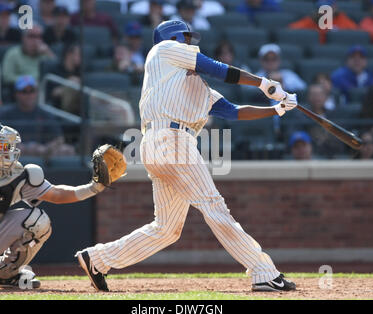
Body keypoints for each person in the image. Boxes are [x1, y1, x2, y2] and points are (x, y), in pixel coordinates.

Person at [75, 20, 298, 292]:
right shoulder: (164, 49)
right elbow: (217, 68)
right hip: (172, 140)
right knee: (214, 206)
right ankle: (263, 272)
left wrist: (277, 109)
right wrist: (263, 82)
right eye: (188, 38)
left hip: (160, 144)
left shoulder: (192, 85)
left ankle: (97, 259)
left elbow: (234, 111)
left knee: (166, 228)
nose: (192, 42)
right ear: (175, 37)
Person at [0, 120, 116, 289]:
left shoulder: (18, 174)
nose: (9, 151)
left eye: (10, 146)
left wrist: (94, 187)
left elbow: (57, 194)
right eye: (2, 146)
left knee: (38, 221)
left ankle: (7, 274)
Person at [0, 75, 75, 157]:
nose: (29, 95)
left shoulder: (45, 114)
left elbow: (59, 139)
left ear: (36, 93)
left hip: (43, 154)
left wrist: (46, 148)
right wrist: (24, 148)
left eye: (32, 91)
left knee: (68, 150)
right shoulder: (6, 114)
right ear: (16, 94)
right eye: (24, 91)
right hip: (15, 155)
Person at [289, 0, 357, 44]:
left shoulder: (342, 20)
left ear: (334, 7)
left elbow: (357, 34)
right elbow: (291, 30)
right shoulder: (312, 20)